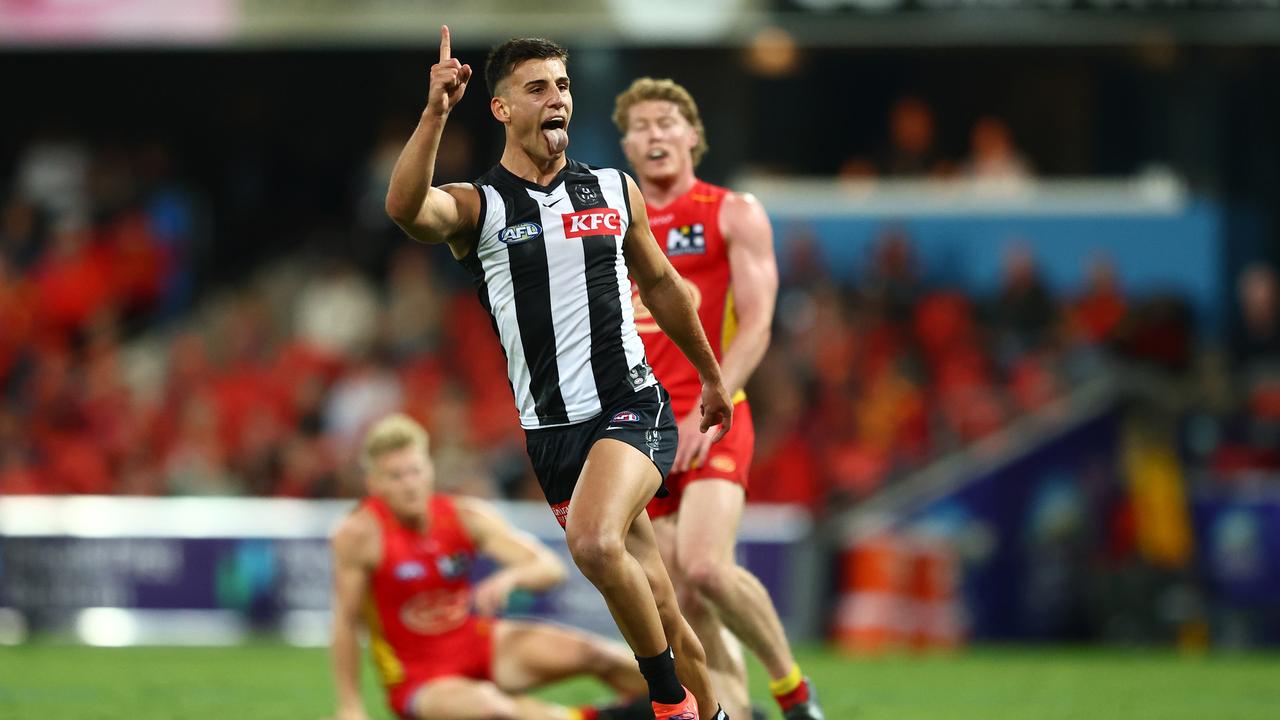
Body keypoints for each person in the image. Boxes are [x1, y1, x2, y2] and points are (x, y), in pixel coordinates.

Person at [383, 27, 736, 720]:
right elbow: (404, 210)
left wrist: (713, 378)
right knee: (658, 603)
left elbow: (661, 284)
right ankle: (718, 714)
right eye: (538, 88)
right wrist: (434, 113)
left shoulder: (611, 188)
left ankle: (669, 707)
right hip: (552, 435)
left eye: (564, 86)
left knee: (594, 542)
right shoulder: (477, 208)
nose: (557, 100)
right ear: (503, 110)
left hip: (632, 407)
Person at [614, 77, 825, 720]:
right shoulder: (611, 225)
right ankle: (731, 712)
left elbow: (758, 324)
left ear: (693, 136)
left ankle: (793, 693)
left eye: (666, 122)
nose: (654, 134)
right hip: (638, 430)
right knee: (681, 605)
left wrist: (712, 399)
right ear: (625, 144)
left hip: (712, 414)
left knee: (705, 569)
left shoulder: (731, 211)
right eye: (641, 125)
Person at [330, 413, 654, 720]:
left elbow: (549, 568)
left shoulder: (462, 516)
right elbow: (345, 621)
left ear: (429, 469)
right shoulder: (359, 535)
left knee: (596, 654)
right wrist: (350, 707)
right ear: (374, 483)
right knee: (494, 710)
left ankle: (678, 703)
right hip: (418, 676)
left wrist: (511, 579)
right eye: (396, 476)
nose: (410, 484)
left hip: (476, 642)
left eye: (415, 471)